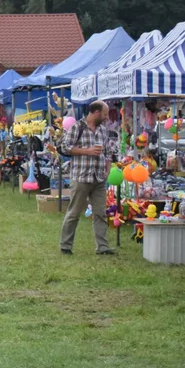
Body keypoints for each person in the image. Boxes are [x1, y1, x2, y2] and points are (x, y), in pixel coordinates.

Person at [59, 101, 116, 256]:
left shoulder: (103, 131)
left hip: (99, 178)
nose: (106, 117)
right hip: (81, 177)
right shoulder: (77, 127)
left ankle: (102, 247)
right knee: (74, 212)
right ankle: (65, 246)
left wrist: (108, 168)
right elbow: (66, 147)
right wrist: (88, 151)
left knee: (100, 213)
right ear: (96, 112)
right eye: (104, 114)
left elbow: (109, 151)